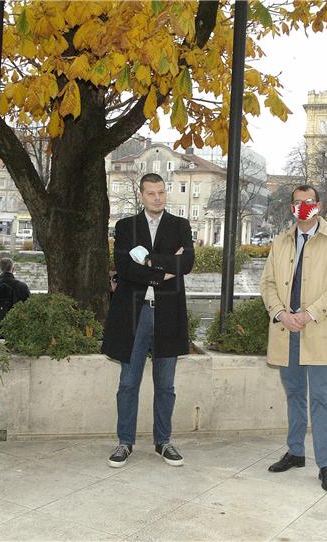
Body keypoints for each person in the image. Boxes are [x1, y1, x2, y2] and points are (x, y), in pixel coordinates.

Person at [260, 184, 327, 492]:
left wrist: (309, 314)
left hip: (318, 330)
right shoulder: (280, 242)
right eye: (297, 202)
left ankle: (326, 464)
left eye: (308, 201)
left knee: (322, 400)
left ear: (318, 206)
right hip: (287, 331)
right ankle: (295, 452)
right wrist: (281, 314)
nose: (303, 207)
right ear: (291, 207)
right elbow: (268, 284)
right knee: (294, 395)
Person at [101, 173, 194, 468]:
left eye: (161, 193)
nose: (157, 198)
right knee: (128, 382)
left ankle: (163, 442)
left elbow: (187, 264)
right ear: (141, 195)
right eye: (151, 193)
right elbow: (125, 268)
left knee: (165, 384)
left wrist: (148, 261)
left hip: (168, 314)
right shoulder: (126, 226)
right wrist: (166, 265)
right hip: (133, 315)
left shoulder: (180, 225)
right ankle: (124, 442)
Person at [0, 257, 31, 330]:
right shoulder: (22, 287)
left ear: (0, 269)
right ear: (13, 268)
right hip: (17, 328)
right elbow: (29, 307)